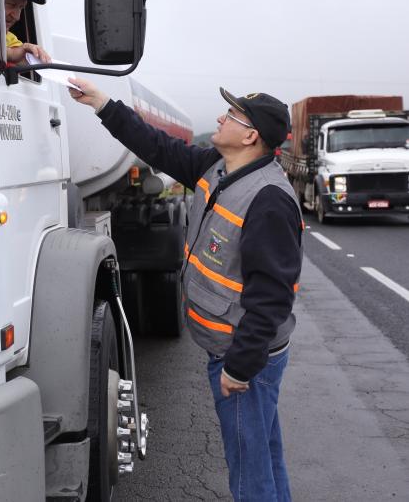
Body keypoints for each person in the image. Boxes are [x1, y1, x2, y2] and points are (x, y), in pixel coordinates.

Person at [69, 78, 302, 502]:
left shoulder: (269, 199)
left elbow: (271, 297)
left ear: (250, 136)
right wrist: (103, 104)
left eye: (231, 115)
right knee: (264, 456)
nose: (219, 117)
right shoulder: (216, 167)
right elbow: (155, 145)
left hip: (243, 358)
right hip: (235, 350)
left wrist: (240, 367)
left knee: (249, 474)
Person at [3, 0, 51, 65]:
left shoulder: (10, 39)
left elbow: (24, 61)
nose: (17, 16)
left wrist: (35, 59)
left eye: (21, 7)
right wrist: (10, 54)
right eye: (11, 4)